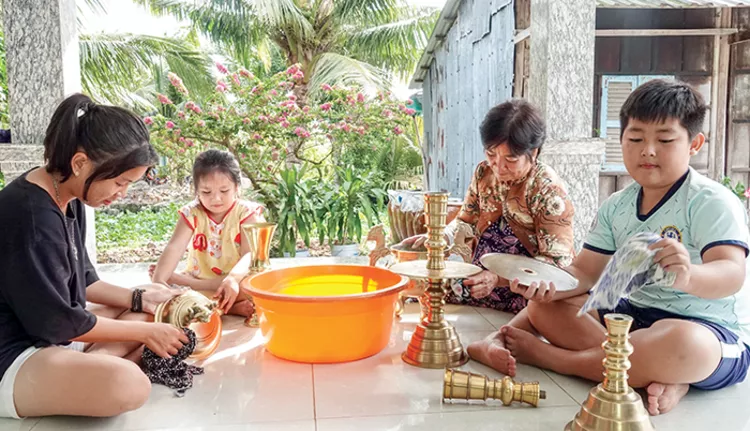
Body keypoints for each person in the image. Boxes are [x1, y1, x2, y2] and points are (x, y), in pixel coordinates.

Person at [491, 79, 750, 416]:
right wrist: (547, 286)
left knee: (684, 344)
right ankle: (653, 372)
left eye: (665, 140)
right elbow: (584, 272)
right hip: (633, 318)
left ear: (694, 144)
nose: (648, 150)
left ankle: (558, 361)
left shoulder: (711, 201)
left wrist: (689, 275)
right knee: (543, 308)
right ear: (622, 141)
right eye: (636, 139)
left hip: (705, 327)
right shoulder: (617, 205)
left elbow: (731, 273)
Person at [0, 94, 190, 419]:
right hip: (14, 354)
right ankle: (94, 370)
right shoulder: (33, 218)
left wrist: (141, 299)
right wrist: (145, 335)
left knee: (149, 306)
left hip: (52, 336)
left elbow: (85, 281)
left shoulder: (66, 193)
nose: (122, 194)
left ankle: (88, 368)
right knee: (129, 384)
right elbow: (59, 322)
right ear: (79, 163)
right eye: (120, 182)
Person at [401, 99, 576, 376]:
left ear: (533, 153)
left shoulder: (548, 191)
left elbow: (558, 263)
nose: (498, 167)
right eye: (492, 154)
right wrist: (440, 237)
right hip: (480, 276)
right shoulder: (484, 172)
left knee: (545, 311)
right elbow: (466, 220)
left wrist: (499, 279)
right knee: (422, 287)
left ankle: (503, 341)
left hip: (523, 287)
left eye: (510, 159)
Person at [151, 149, 264, 318]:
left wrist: (233, 278)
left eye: (224, 191)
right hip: (200, 278)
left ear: (236, 187)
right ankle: (227, 307)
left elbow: (250, 254)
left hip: (236, 279)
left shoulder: (247, 212)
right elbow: (175, 247)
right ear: (196, 190)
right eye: (206, 192)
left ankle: (212, 304)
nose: (216, 199)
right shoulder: (192, 212)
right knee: (167, 291)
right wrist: (159, 282)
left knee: (255, 288)